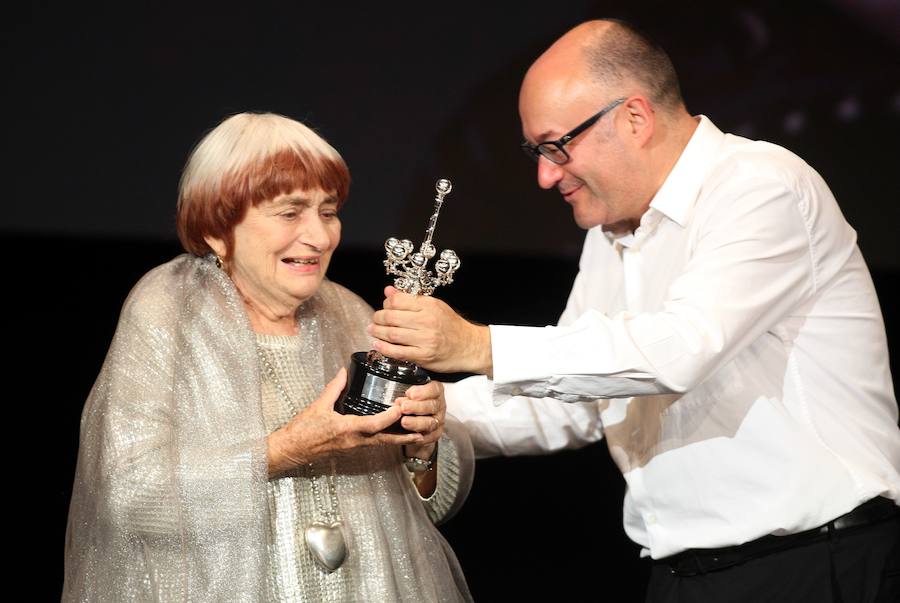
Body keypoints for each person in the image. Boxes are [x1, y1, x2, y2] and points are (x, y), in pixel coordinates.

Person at [368, 18, 900, 603]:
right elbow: (575, 404)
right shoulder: (612, 232)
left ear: (635, 118)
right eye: (535, 152)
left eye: (555, 146)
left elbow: (682, 347)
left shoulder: (759, 186)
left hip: (812, 562)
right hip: (686, 576)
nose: (545, 175)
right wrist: (430, 410)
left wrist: (479, 346)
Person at [63, 112, 474, 602]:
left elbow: (422, 511)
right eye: (289, 213)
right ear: (218, 226)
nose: (320, 237)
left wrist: (422, 448)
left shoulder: (348, 313)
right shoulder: (169, 312)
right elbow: (129, 496)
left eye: (327, 211)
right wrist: (287, 448)